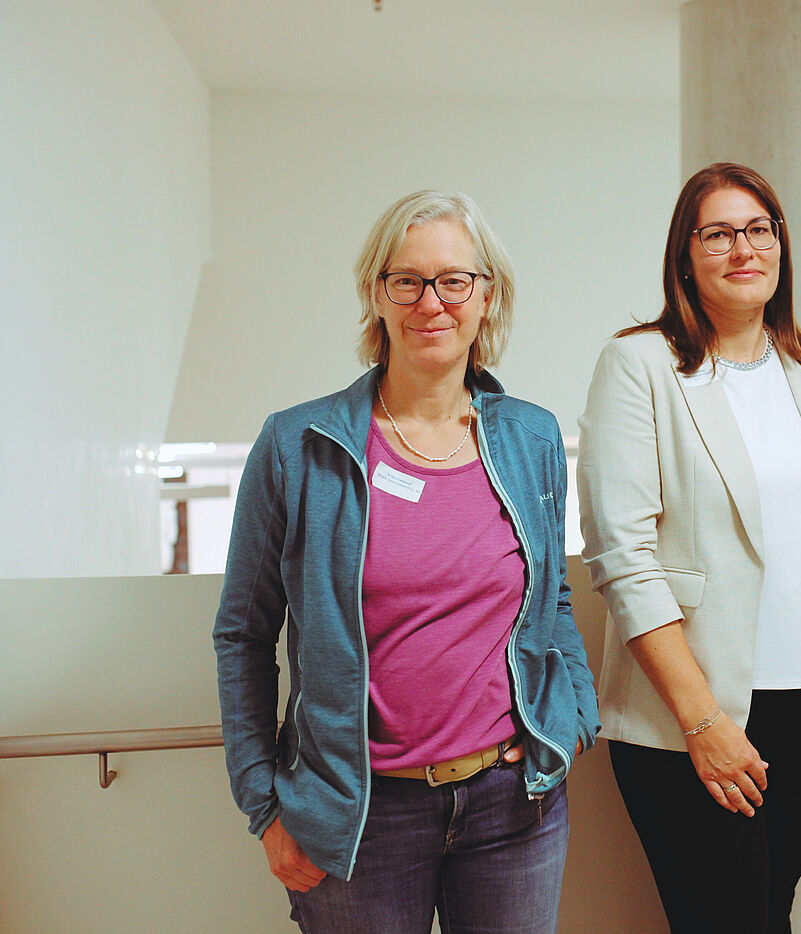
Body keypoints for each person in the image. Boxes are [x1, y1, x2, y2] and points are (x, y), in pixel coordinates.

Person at [212, 190, 600, 934]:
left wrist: (571, 718)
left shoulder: (532, 437)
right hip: (358, 819)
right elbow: (243, 634)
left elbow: (549, 604)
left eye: (455, 280)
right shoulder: (298, 448)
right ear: (377, 294)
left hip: (514, 806)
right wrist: (263, 804)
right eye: (408, 281)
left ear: (488, 297)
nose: (433, 302)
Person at [577, 162, 801, 934]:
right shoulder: (640, 364)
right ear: (685, 255)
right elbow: (623, 557)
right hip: (690, 717)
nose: (742, 248)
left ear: (780, 245)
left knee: (768, 914)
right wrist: (704, 723)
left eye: (758, 229)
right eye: (717, 233)